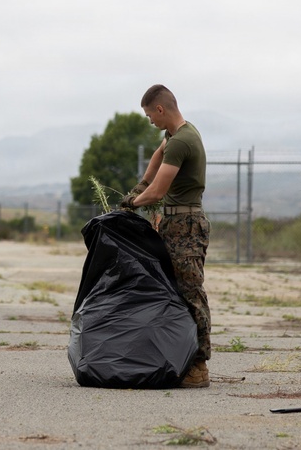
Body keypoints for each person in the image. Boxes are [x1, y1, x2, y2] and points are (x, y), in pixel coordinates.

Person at [121, 84, 211, 388]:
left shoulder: (182, 140)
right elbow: (157, 157)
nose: (150, 121)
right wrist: (141, 184)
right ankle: (182, 359)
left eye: (150, 115)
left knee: (190, 294)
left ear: (160, 109)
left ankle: (199, 366)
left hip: (187, 225)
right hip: (174, 223)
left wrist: (132, 202)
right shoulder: (175, 135)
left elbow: (158, 192)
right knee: (173, 292)